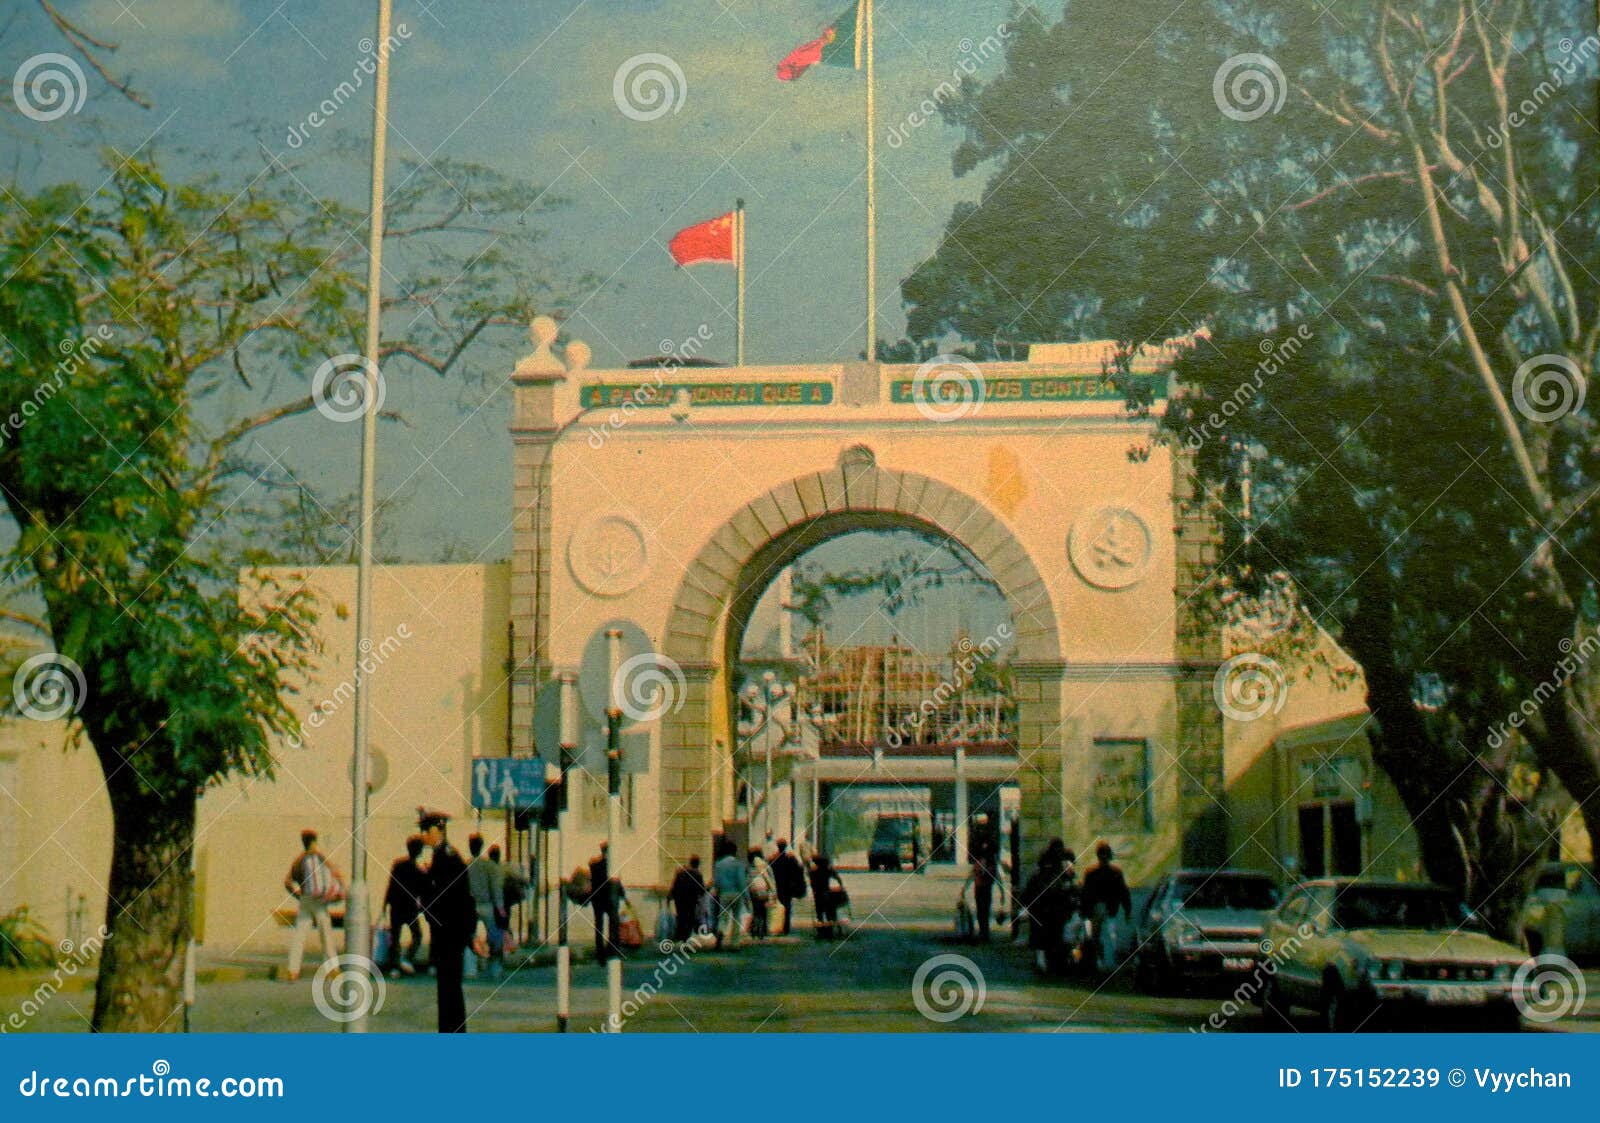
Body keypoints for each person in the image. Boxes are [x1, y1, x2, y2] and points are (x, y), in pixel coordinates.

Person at [418, 808, 476, 1032]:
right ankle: (451, 1030)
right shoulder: (440, 856)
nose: (423, 835)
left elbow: (455, 898)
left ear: (437, 829)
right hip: (446, 932)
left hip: (450, 933)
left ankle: (453, 1031)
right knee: (447, 988)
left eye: (426, 830)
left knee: (450, 988)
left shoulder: (448, 858)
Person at [282, 829, 342, 982]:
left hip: (306, 900)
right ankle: (332, 969)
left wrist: (298, 896)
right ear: (314, 842)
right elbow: (334, 871)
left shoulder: (299, 860)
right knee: (325, 932)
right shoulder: (320, 857)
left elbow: (287, 882)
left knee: (299, 935)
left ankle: (292, 970)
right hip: (319, 901)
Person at [1080, 841, 1132, 973]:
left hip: (1101, 909)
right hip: (1106, 909)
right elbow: (1123, 892)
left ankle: (1101, 963)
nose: (1104, 858)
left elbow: (1085, 894)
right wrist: (1127, 910)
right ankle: (1105, 963)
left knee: (1100, 936)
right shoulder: (1114, 872)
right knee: (1105, 936)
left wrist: (1127, 909)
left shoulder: (1092, 872)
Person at [1021, 840, 1072, 974]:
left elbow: (1027, 895)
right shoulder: (1060, 873)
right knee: (1052, 938)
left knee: (1042, 939)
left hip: (1043, 911)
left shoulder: (1040, 875)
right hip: (1052, 911)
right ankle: (1052, 964)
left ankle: (1044, 963)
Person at [381, 835, 428, 978]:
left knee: (395, 937)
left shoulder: (398, 864)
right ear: (419, 851)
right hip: (410, 908)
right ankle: (406, 959)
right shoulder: (419, 870)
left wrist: (385, 904)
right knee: (417, 935)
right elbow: (423, 890)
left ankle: (394, 966)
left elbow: (391, 885)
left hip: (396, 905)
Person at [466, 834, 505, 979]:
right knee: (493, 936)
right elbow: (496, 888)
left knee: (470, 936)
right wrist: (500, 908)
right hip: (487, 905)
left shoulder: (465, 865)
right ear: (481, 847)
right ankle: (494, 968)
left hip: (470, 906)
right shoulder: (490, 866)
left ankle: (470, 969)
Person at [588, 842, 623, 964]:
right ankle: (613, 949)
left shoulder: (594, 864)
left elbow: (592, 881)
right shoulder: (612, 865)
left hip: (597, 899)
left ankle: (600, 953)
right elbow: (617, 882)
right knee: (613, 924)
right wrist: (622, 894)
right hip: (609, 899)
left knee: (599, 926)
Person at [712, 839, 749, 949]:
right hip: (737, 893)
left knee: (723, 917)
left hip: (724, 893)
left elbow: (716, 881)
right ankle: (735, 943)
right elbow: (742, 882)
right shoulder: (738, 864)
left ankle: (720, 932)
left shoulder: (719, 864)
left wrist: (717, 892)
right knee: (736, 918)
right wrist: (746, 897)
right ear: (734, 851)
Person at [965, 830, 1001, 942]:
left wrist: (964, 888)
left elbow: (972, 874)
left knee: (981, 910)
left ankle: (983, 932)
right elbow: (997, 877)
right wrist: (1002, 892)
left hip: (980, 887)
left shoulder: (980, 861)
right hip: (986, 887)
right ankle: (984, 932)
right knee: (985, 910)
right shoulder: (991, 862)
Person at [769, 838, 806, 935]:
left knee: (778, 906)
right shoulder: (790, 858)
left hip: (778, 886)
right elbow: (799, 870)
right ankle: (785, 927)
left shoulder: (773, 859)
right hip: (788, 887)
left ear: (778, 847)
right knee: (787, 907)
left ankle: (778, 926)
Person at [668, 855, 708, 944]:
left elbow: (674, 886)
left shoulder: (681, 872)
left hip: (679, 899)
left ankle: (680, 935)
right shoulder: (697, 874)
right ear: (698, 864)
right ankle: (686, 937)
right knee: (689, 918)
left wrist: (670, 896)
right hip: (691, 900)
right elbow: (701, 889)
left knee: (681, 916)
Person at [808, 854, 846, 940]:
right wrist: (841, 886)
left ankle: (821, 932)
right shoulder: (828, 870)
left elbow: (812, 884)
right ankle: (832, 931)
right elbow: (837, 878)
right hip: (827, 894)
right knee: (831, 913)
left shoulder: (813, 871)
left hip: (817, 895)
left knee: (820, 914)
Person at [746, 848, 773, 939]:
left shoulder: (749, 866)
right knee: (763, 911)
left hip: (753, 890)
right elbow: (769, 877)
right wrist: (772, 890)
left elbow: (747, 879)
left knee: (755, 910)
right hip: (763, 890)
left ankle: (754, 930)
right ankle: (762, 931)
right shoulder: (763, 865)